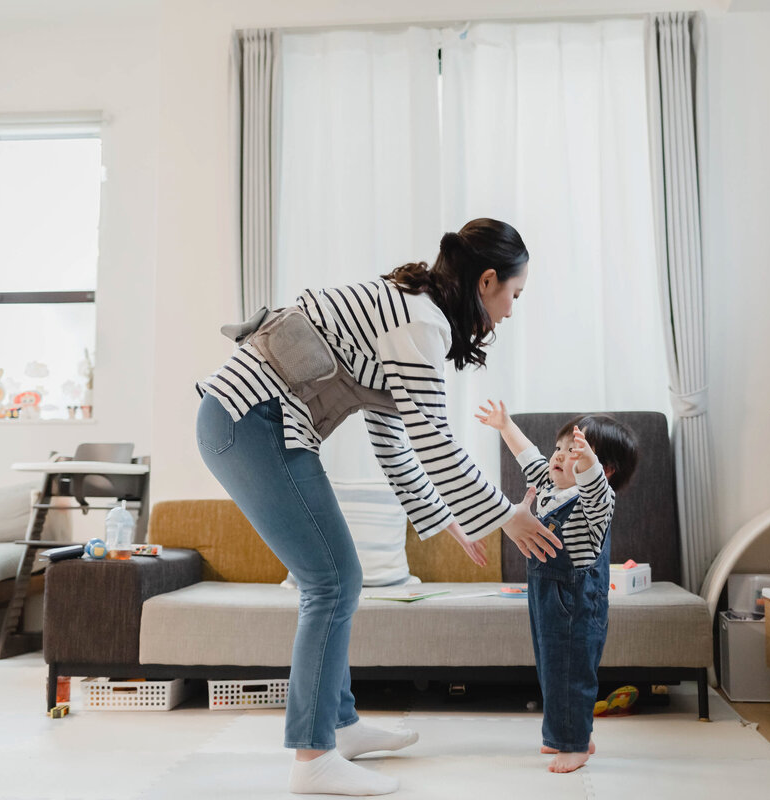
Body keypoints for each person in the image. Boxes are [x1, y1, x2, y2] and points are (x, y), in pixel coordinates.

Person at [195, 218, 563, 796]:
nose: (511, 311)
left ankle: (340, 726)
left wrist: (448, 520)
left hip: (258, 423)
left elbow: (395, 439)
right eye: (514, 295)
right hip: (251, 422)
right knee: (333, 581)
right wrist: (506, 516)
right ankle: (313, 758)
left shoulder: (412, 311)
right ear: (487, 281)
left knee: (336, 579)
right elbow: (435, 440)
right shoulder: (421, 323)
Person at [475, 400, 639, 774]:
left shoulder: (597, 501)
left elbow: (593, 482)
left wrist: (587, 463)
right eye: (561, 448)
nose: (562, 456)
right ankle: (567, 734)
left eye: (575, 452)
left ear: (604, 469)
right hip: (544, 591)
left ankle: (575, 744)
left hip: (575, 597)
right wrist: (505, 426)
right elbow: (528, 455)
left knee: (571, 669)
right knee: (552, 666)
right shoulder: (551, 483)